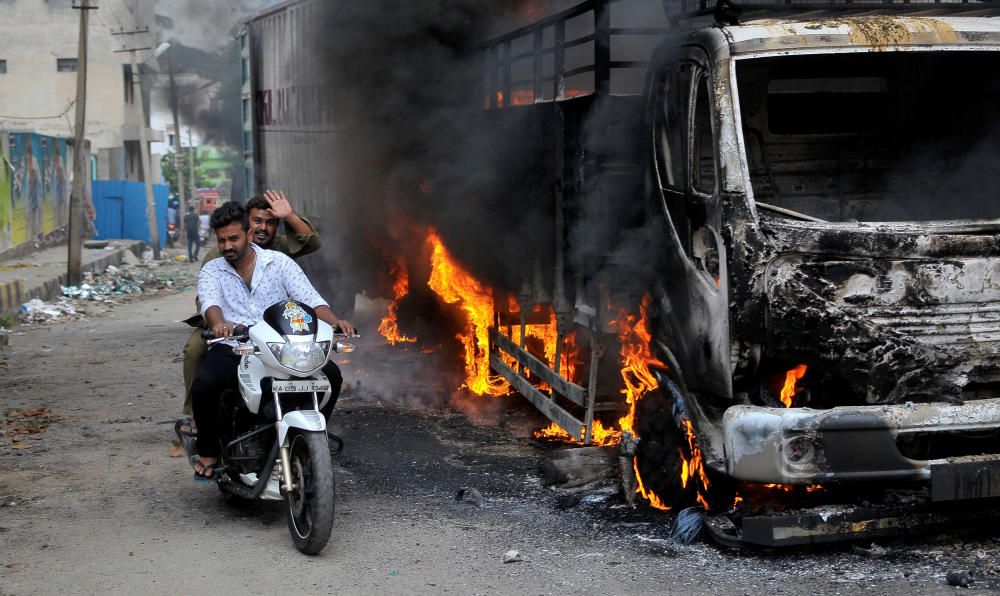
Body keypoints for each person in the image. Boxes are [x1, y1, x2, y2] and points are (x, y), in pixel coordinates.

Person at [189, 202, 354, 479]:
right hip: (236, 348)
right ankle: (208, 453)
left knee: (332, 377)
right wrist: (218, 324)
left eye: (233, 238)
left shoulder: (279, 263)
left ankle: (312, 443)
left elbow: (311, 300)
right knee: (205, 384)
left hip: (282, 349)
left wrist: (334, 321)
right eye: (222, 240)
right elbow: (210, 303)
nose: (227, 246)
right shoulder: (212, 270)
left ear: (248, 234)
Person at [180, 190, 322, 417]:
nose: (262, 228)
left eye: (271, 222)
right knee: (196, 351)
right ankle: (194, 415)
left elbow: (311, 244)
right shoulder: (219, 255)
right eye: (257, 221)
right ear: (246, 225)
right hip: (229, 327)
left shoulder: (277, 251)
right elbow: (207, 298)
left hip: (274, 327)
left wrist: (290, 216)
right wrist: (218, 322)